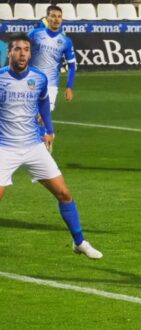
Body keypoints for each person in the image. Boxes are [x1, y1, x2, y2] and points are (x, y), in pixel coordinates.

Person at [0, 34, 102, 259]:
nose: (22, 53)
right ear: (9, 53)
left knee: (64, 193)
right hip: (5, 148)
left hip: (33, 146)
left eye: (26, 49)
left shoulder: (39, 78)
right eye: (17, 49)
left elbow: (44, 102)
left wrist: (48, 130)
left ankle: (80, 242)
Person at [28, 5, 76, 113]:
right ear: (47, 18)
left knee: (43, 121)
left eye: (59, 16)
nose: (56, 19)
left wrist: (69, 87)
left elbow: (72, 66)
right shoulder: (34, 34)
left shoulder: (66, 41)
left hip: (51, 86)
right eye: (53, 16)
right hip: (30, 83)